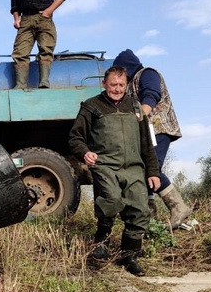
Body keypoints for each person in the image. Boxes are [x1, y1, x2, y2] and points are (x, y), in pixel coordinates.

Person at [68, 66, 160, 276]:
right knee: (111, 199)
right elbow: (75, 137)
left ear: (126, 85)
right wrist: (85, 153)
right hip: (105, 164)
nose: (117, 89)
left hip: (134, 167)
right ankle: (101, 240)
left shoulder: (136, 108)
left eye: (121, 85)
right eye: (112, 85)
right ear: (104, 84)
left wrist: (153, 171)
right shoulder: (92, 106)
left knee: (140, 210)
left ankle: (128, 255)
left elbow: (146, 143)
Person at [113, 49, 192, 229]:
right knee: (142, 168)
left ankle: (178, 206)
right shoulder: (131, 82)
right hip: (146, 131)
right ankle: (149, 212)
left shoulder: (147, 73)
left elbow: (151, 94)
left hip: (158, 128)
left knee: (151, 167)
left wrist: (140, 115)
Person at [10, 0, 68, 89]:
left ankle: (44, 82)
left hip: (44, 18)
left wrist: (49, 11)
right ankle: (20, 85)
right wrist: (16, 19)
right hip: (25, 19)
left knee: (46, 49)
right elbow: (14, 1)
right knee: (20, 52)